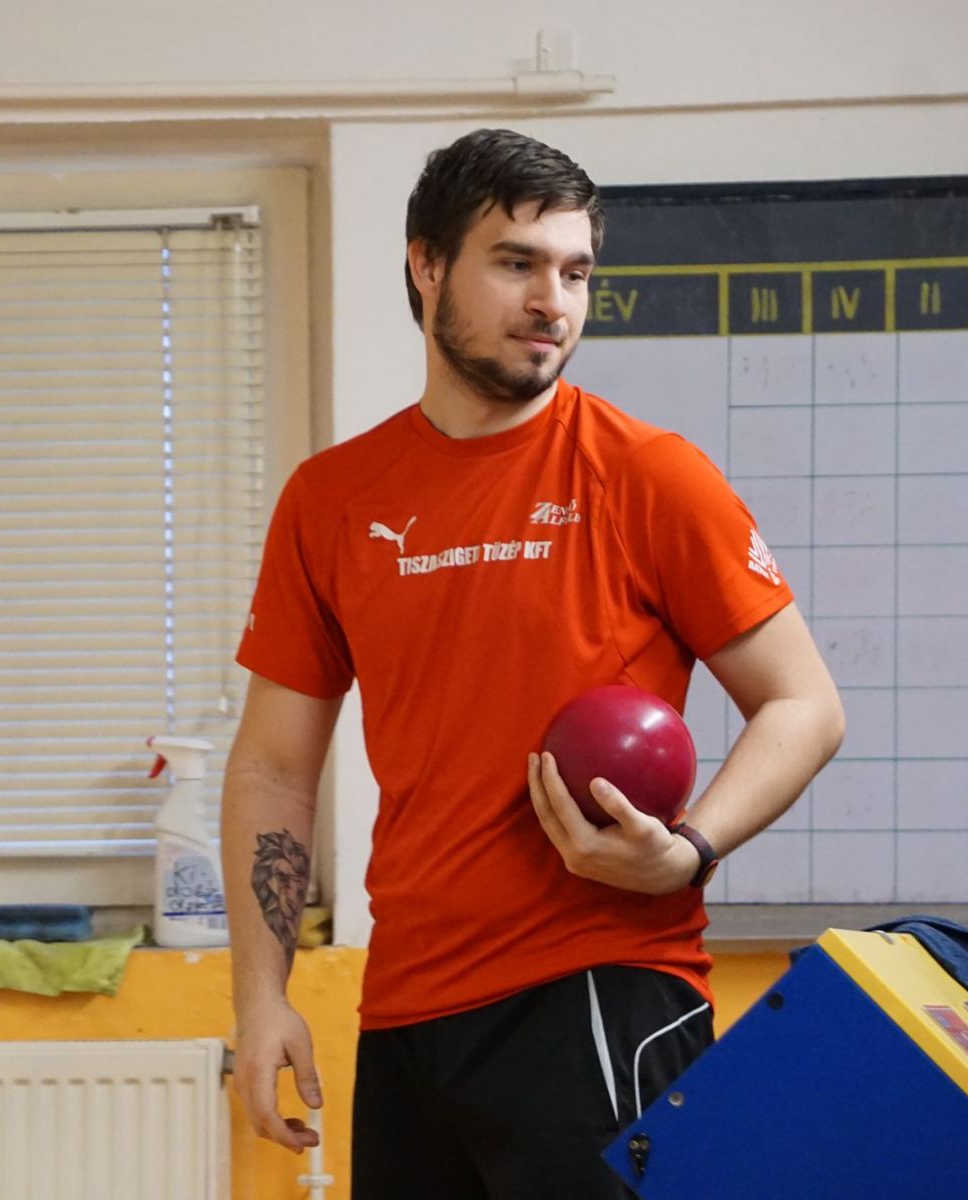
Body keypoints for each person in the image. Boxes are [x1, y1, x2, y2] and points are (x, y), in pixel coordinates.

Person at [220, 127, 846, 1198]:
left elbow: (804, 704)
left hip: (599, 990)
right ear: (427, 265)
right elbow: (275, 767)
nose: (553, 301)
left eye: (575, 271)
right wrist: (259, 994)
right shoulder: (331, 502)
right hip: (409, 1014)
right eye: (517, 263)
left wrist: (689, 850)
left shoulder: (649, 475)